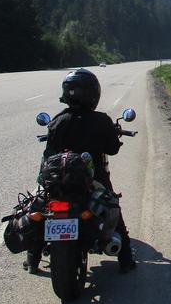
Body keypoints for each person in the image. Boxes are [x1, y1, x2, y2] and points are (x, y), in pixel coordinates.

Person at [24, 68, 136, 274]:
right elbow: (112, 149)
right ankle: (126, 259)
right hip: (94, 180)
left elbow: (49, 153)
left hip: (59, 182)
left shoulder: (58, 121)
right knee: (112, 204)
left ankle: (33, 258)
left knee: (41, 206)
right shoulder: (101, 121)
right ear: (93, 93)